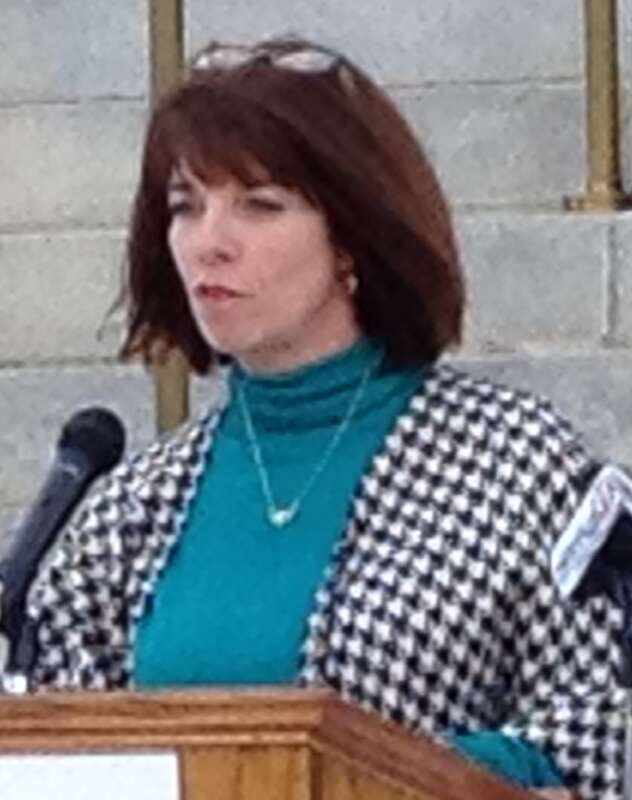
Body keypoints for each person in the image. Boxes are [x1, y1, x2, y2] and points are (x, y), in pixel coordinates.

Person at [20, 37, 624, 800]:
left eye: (259, 206)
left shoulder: (517, 464)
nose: (210, 243)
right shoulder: (133, 506)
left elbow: (597, 735)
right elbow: (59, 756)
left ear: (352, 238)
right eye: (185, 207)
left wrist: (379, 777)